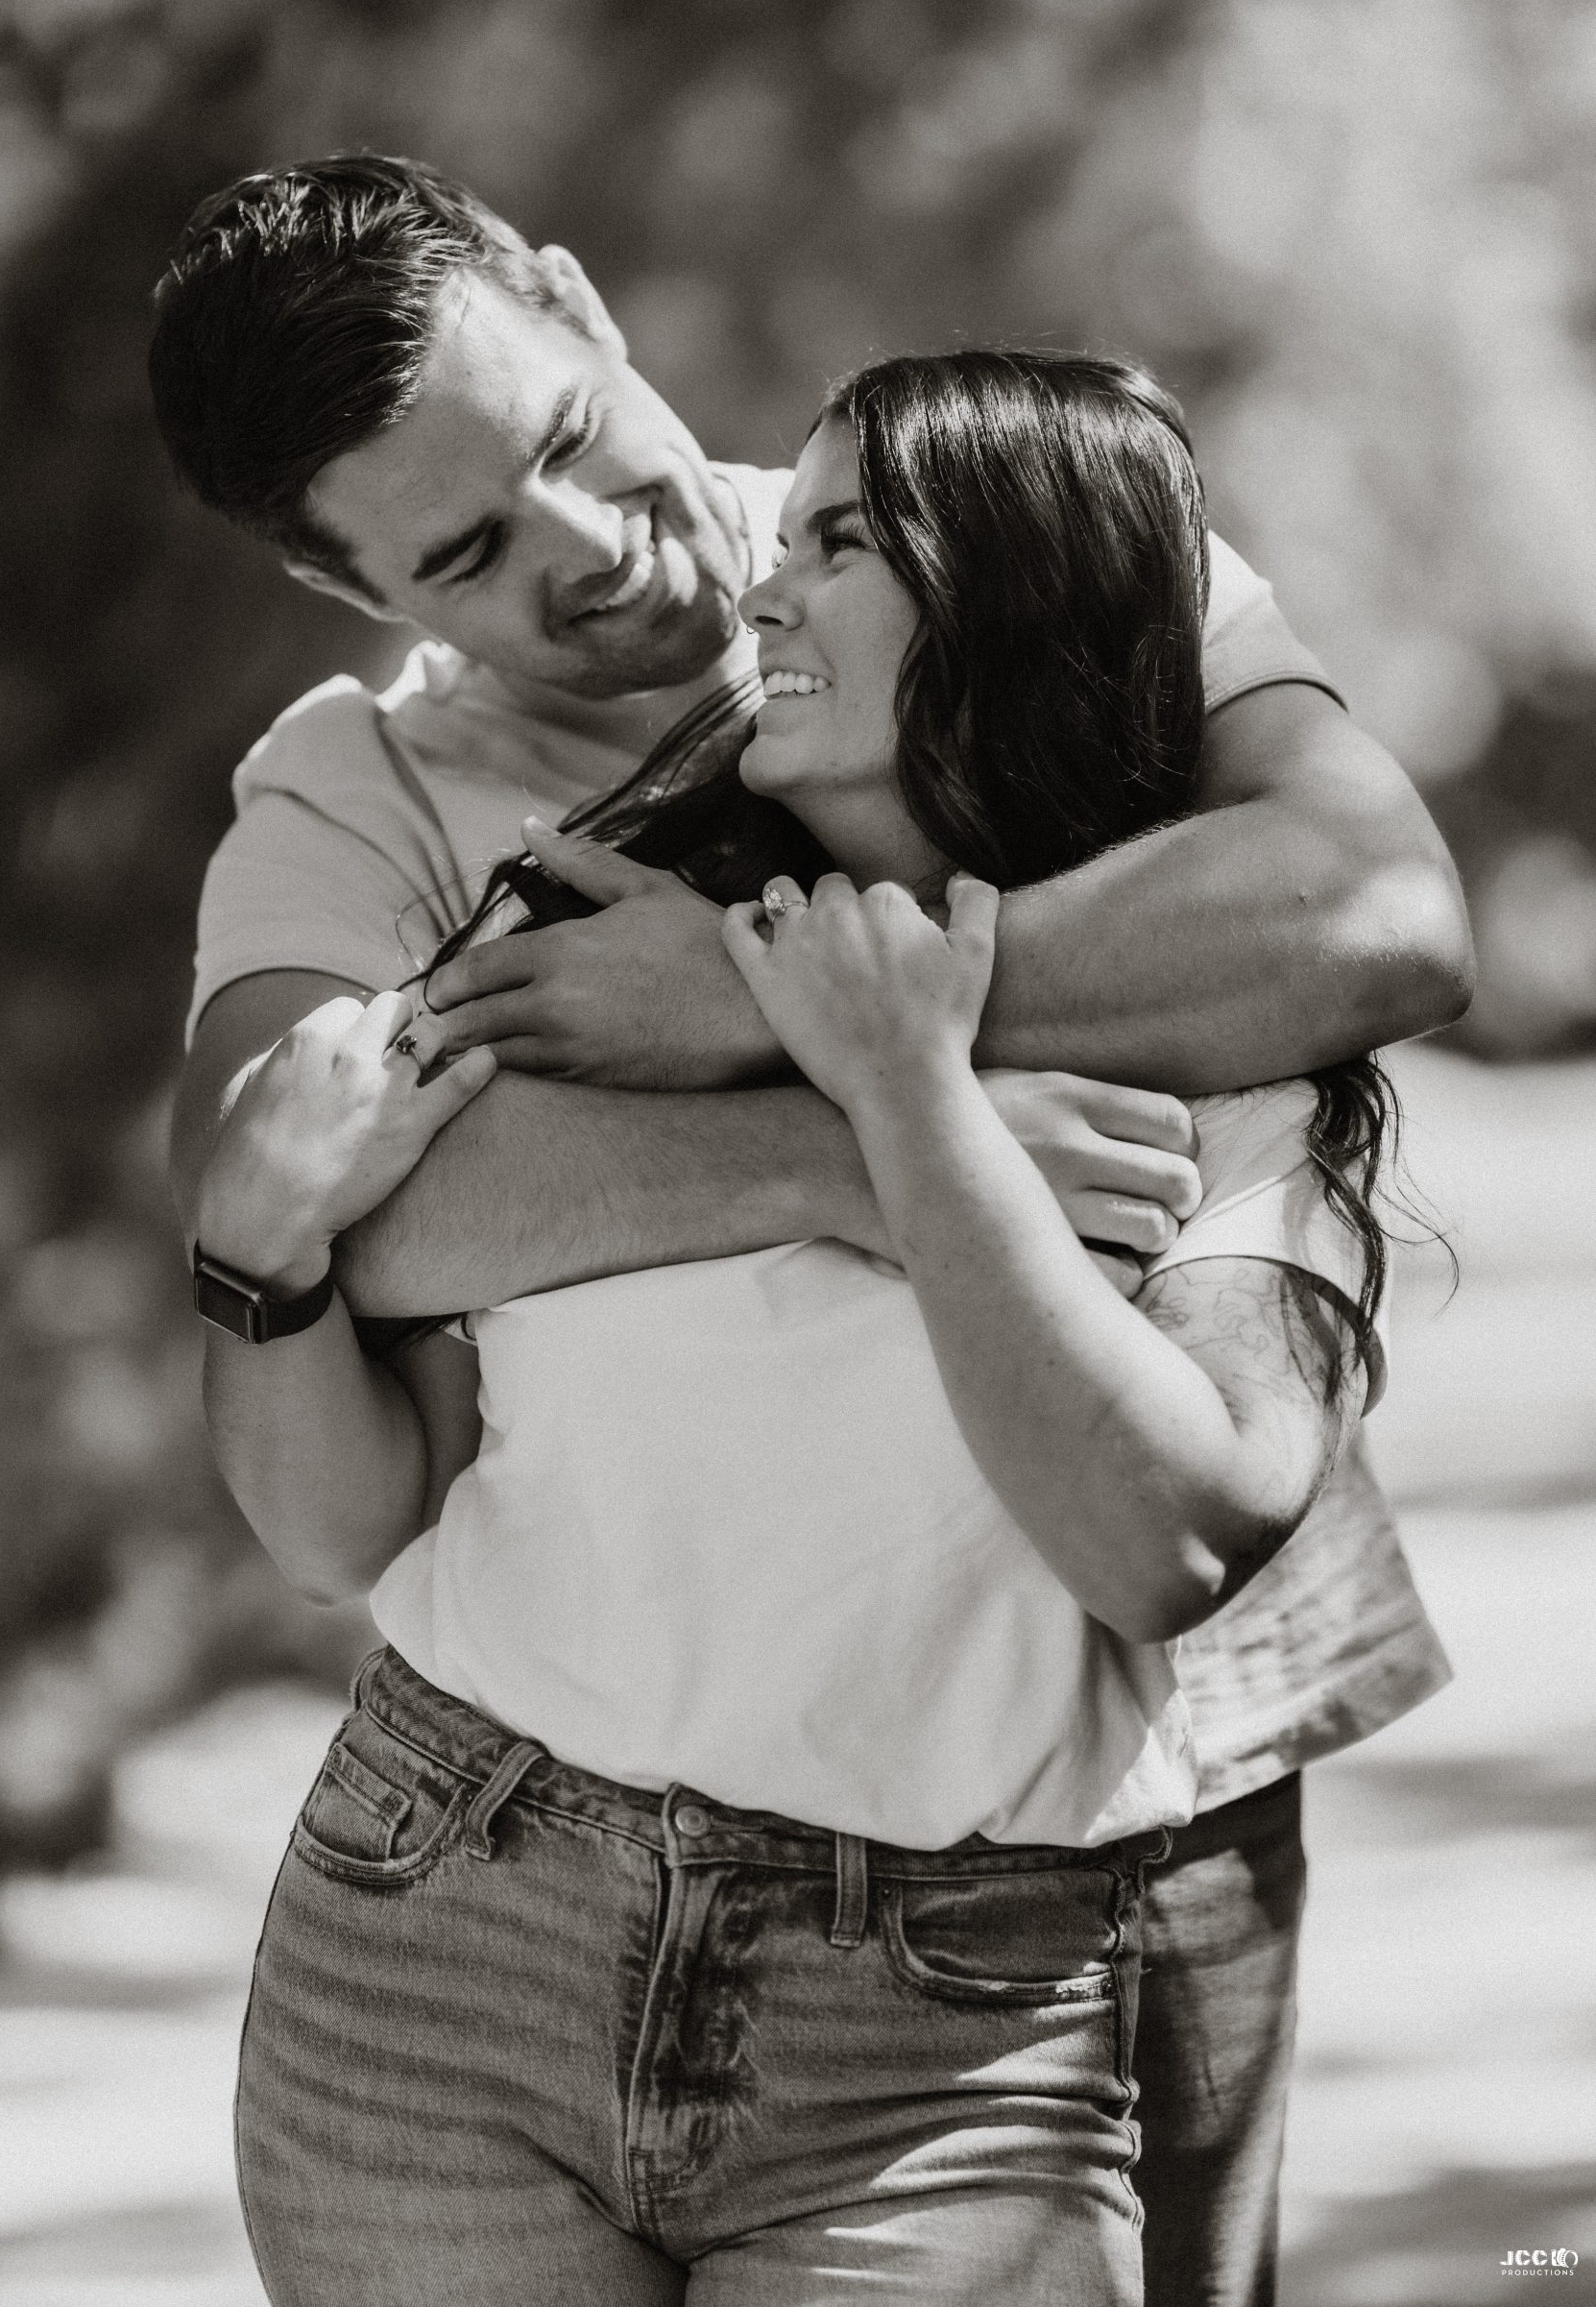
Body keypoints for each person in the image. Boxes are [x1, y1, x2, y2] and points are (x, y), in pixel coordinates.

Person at [152, 157, 1460, 2304]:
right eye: (467, 551)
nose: (595, 548)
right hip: (544, 1814)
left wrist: (749, 999)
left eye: (574, 438)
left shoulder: (988, 509)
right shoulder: (357, 800)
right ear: (340, 580)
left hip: (1141, 1750)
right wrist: (859, 1141)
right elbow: (306, 1212)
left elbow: (1374, 916)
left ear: (578, 298)